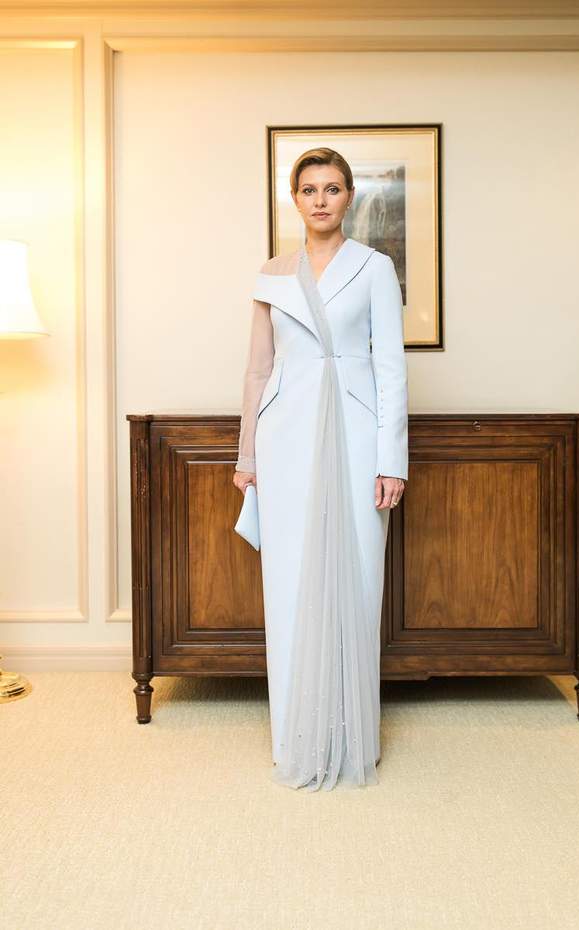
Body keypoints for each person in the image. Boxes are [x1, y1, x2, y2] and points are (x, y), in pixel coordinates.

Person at [233, 146, 409, 791]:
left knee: (358, 577)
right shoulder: (272, 274)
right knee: (287, 581)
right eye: (309, 189)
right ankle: (295, 739)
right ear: (295, 198)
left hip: (358, 436)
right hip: (284, 437)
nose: (320, 200)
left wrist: (392, 460)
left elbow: (391, 367)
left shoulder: (374, 267)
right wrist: (247, 454)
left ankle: (352, 737)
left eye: (332, 188)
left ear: (349, 197)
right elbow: (257, 369)